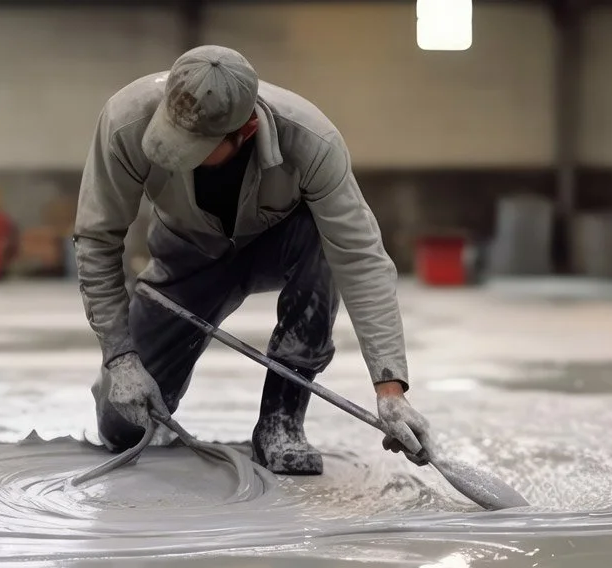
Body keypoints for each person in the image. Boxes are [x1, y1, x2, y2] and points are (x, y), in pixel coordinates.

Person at [74, 45, 431, 476]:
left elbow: (361, 259)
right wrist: (121, 358)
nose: (175, 152)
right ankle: (139, 404)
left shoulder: (312, 142)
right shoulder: (125, 121)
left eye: (194, 147)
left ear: (245, 131)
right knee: (123, 429)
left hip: (276, 246)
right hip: (185, 257)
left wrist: (390, 390)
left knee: (323, 238)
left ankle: (280, 420)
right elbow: (97, 239)